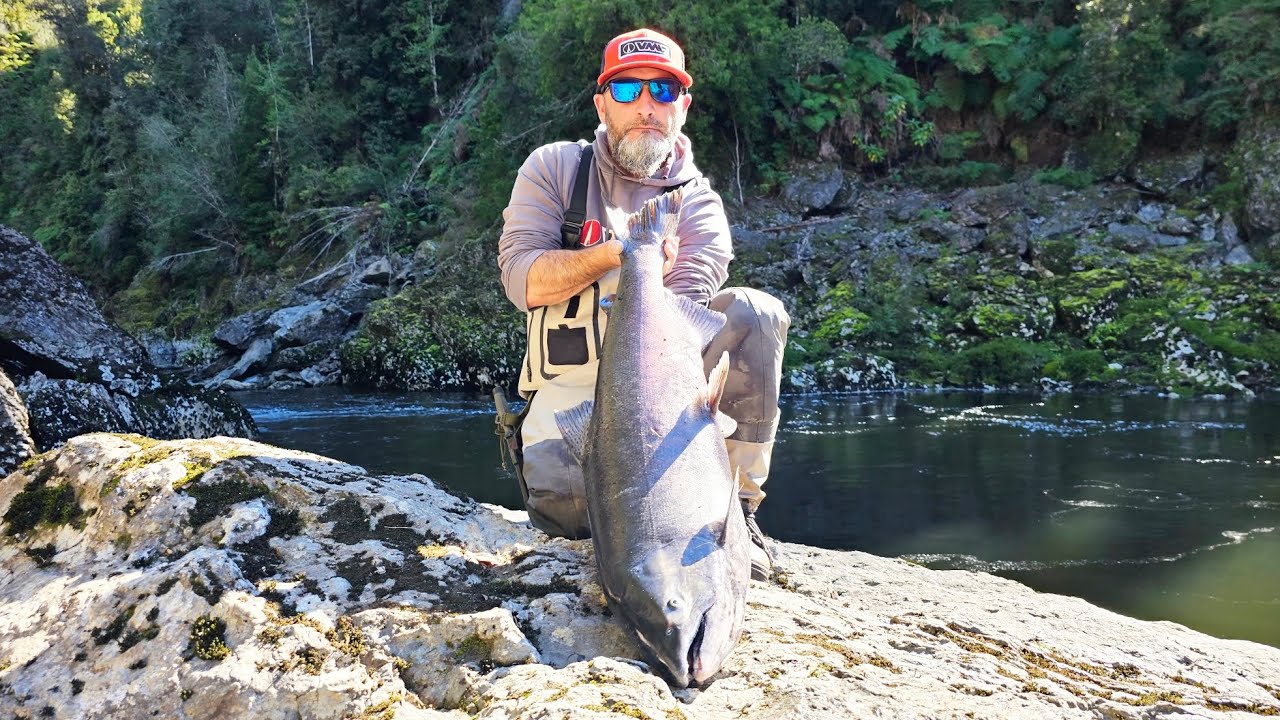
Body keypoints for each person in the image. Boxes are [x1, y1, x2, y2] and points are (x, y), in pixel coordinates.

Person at [496, 28, 789, 580]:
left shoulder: (700, 203)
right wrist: (620, 253)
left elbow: (683, 319)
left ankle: (740, 509)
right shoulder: (553, 168)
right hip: (574, 390)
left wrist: (647, 271)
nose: (646, 107)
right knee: (569, 512)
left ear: (684, 106)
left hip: (667, 383)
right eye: (628, 92)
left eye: (662, 91)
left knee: (756, 312)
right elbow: (522, 281)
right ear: (602, 103)